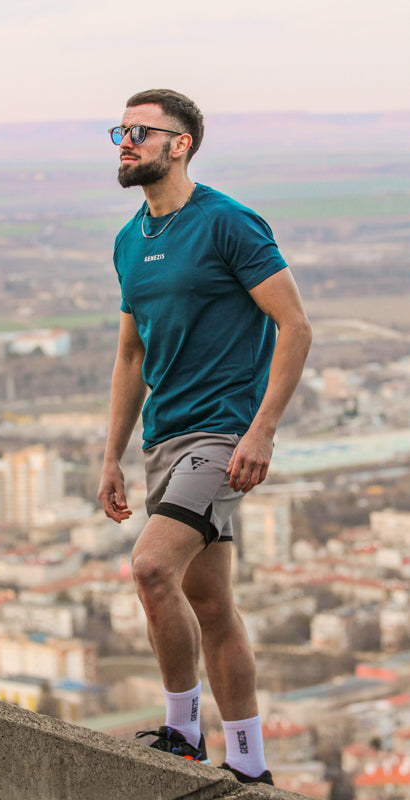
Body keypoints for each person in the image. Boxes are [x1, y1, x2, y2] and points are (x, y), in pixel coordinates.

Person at [98, 89, 312, 785]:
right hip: (162, 439)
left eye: (140, 132)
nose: (126, 143)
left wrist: (262, 431)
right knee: (213, 606)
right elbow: (131, 354)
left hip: (221, 434)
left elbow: (295, 326)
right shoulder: (130, 240)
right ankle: (249, 765)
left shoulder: (228, 223)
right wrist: (111, 456)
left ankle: (182, 734)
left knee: (151, 568)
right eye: (120, 132)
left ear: (180, 144)